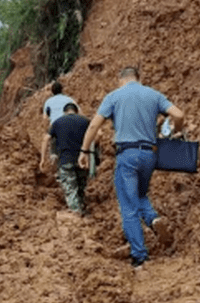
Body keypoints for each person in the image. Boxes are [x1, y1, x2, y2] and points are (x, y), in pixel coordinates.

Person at [78, 66, 185, 268]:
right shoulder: (153, 94)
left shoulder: (114, 96)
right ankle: (153, 219)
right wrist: (175, 133)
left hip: (127, 155)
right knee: (140, 194)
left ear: (121, 79)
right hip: (150, 155)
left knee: (128, 206)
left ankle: (139, 256)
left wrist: (84, 151)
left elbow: (93, 126)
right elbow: (178, 115)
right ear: (138, 78)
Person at [40, 102, 90, 215]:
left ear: (64, 112)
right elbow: (97, 135)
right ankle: (82, 211)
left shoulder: (57, 122)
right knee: (81, 188)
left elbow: (46, 139)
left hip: (65, 161)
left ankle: (76, 214)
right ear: (76, 111)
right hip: (82, 160)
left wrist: (43, 159)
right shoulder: (85, 121)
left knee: (71, 189)